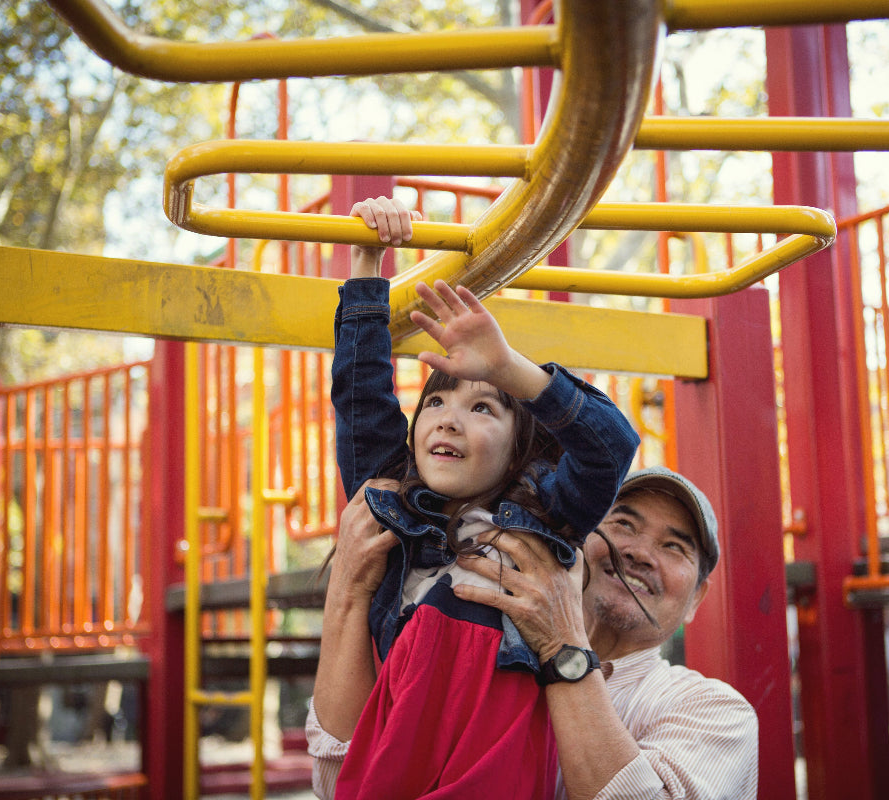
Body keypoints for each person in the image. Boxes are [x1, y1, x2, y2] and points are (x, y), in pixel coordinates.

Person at [315, 195, 641, 800]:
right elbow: (361, 401)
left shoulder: (550, 514)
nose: (446, 420)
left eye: (482, 406)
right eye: (434, 403)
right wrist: (367, 266)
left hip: (498, 766)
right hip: (402, 760)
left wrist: (513, 370)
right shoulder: (394, 512)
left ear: (521, 447)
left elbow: (610, 447)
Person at [309, 464, 760, 800]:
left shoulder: (715, 711)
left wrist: (560, 645)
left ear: (698, 597)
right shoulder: (477, 653)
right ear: (575, 540)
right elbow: (340, 782)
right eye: (623, 523)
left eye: (674, 546)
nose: (638, 552)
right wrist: (348, 588)